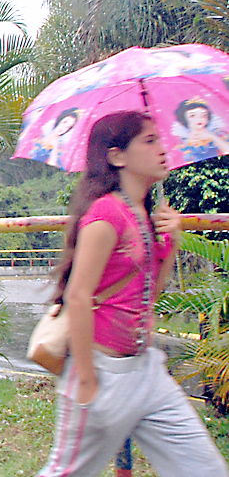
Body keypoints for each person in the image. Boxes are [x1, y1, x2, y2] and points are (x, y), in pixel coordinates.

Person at [36, 110, 226, 477]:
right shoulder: (106, 215)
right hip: (103, 374)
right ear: (117, 156)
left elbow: (150, 294)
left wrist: (170, 239)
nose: (162, 149)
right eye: (150, 141)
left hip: (146, 370)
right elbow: (78, 296)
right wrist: (89, 383)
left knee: (204, 469)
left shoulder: (141, 212)